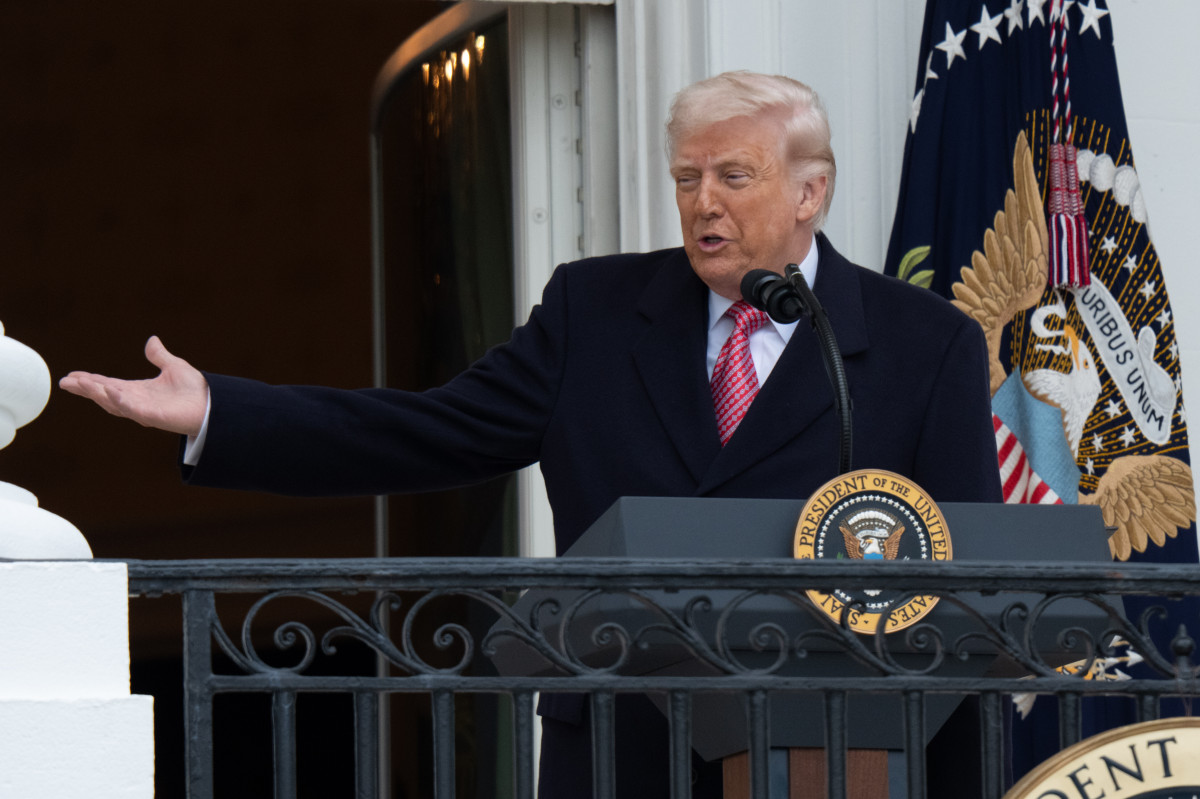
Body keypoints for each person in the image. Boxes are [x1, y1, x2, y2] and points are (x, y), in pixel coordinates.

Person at [61, 71, 1001, 798]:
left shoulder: (926, 345)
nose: (703, 202)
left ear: (809, 192)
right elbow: (430, 431)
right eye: (687, 178)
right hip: (620, 749)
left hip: (829, 756)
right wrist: (219, 412)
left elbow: (974, 595)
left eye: (733, 176)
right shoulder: (595, 311)